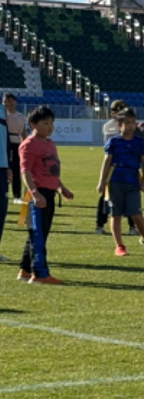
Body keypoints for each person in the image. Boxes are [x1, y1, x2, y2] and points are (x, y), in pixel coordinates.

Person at [17, 106, 75, 284]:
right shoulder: (29, 145)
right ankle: (40, 274)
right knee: (38, 235)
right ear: (33, 124)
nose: (50, 127)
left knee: (39, 234)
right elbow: (25, 171)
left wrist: (62, 187)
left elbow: (51, 170)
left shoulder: (50, 143)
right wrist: (34, 193)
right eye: (45, 123)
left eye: (52, 123)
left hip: (49, 193)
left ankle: (25, 270)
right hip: (38, 194)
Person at [96, 108, 144, 256]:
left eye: (133, 123)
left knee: (136, 213)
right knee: (116, 214)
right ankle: (119, 245)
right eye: (127, 123)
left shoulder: (139, 142)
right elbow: (106, 162)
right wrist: (101, 182)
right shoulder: (113, 142)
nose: (131, 126)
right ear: (119, 125)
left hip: (132, 180)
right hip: (115, 181)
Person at [4, 93, 27, 204]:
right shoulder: (2, 115)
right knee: (4, 170)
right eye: (5, 100)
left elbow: (23, 132)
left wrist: (25, 145)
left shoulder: (20, 116)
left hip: (17, 144)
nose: (6, 102)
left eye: (9, 100)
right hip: (4, 144)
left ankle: (17, 196)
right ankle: (4, 193)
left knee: (17, 171)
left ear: (14, 102)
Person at [0, 107, 9, 262]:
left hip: (2, 166)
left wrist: (8, 165)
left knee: (1, 210)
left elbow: (5, 138)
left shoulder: (1, 109)